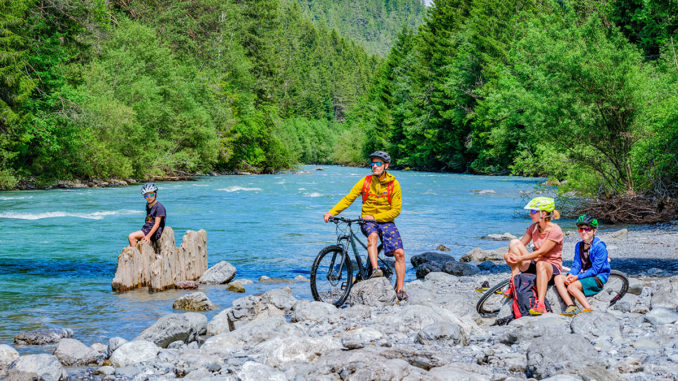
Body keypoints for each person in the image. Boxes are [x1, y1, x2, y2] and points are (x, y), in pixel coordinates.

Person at [323, 151, 408, 301]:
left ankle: (400, 289)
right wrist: (331, 212)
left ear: (385, 166)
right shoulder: (365, 181)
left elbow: (396, 211)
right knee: (373, 236)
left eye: (378, 163)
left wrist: (376, 217)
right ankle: (375, 270)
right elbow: (348, 198)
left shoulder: (394, 184)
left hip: (386, 221)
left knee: (399, 253)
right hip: (368, 222)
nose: (374, 166)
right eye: (373, 163)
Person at [504, 197, 563, 315]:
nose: (530, 213)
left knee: (541, 263)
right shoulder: (534, 227)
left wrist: (520, 259)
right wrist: (507, 255)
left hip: (551, 268)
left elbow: (541, 252)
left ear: (544, 213)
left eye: (534, 211)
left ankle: (540, 303)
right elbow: (520, 244)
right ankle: (515, 283)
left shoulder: (555, 231)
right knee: (514, 242)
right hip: (536, 264)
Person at [555, 215, 610, 316]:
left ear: (594, 231)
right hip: (583, 274)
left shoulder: (600, 247)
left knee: (571, 287)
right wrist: (571, 274)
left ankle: (588, 309)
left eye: (587, 229)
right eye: (581, 229)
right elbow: (577, 264)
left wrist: (577, 277)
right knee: (558, 278)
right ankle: (571, 306)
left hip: (597, 277)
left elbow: (595, 270)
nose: (583, 232)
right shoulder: (579, 245)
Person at [128, 183, 166, 248]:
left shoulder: (159, 207)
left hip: (153, 232)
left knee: (131, 236)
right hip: (146, 229)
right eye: (146, 196)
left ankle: (137, 256)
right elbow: (149, 220)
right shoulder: (148, 205)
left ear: (155, 194)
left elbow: (157, 224)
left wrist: (148, 236)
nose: (149, 197)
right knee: (129, 247)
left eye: (151, 194)